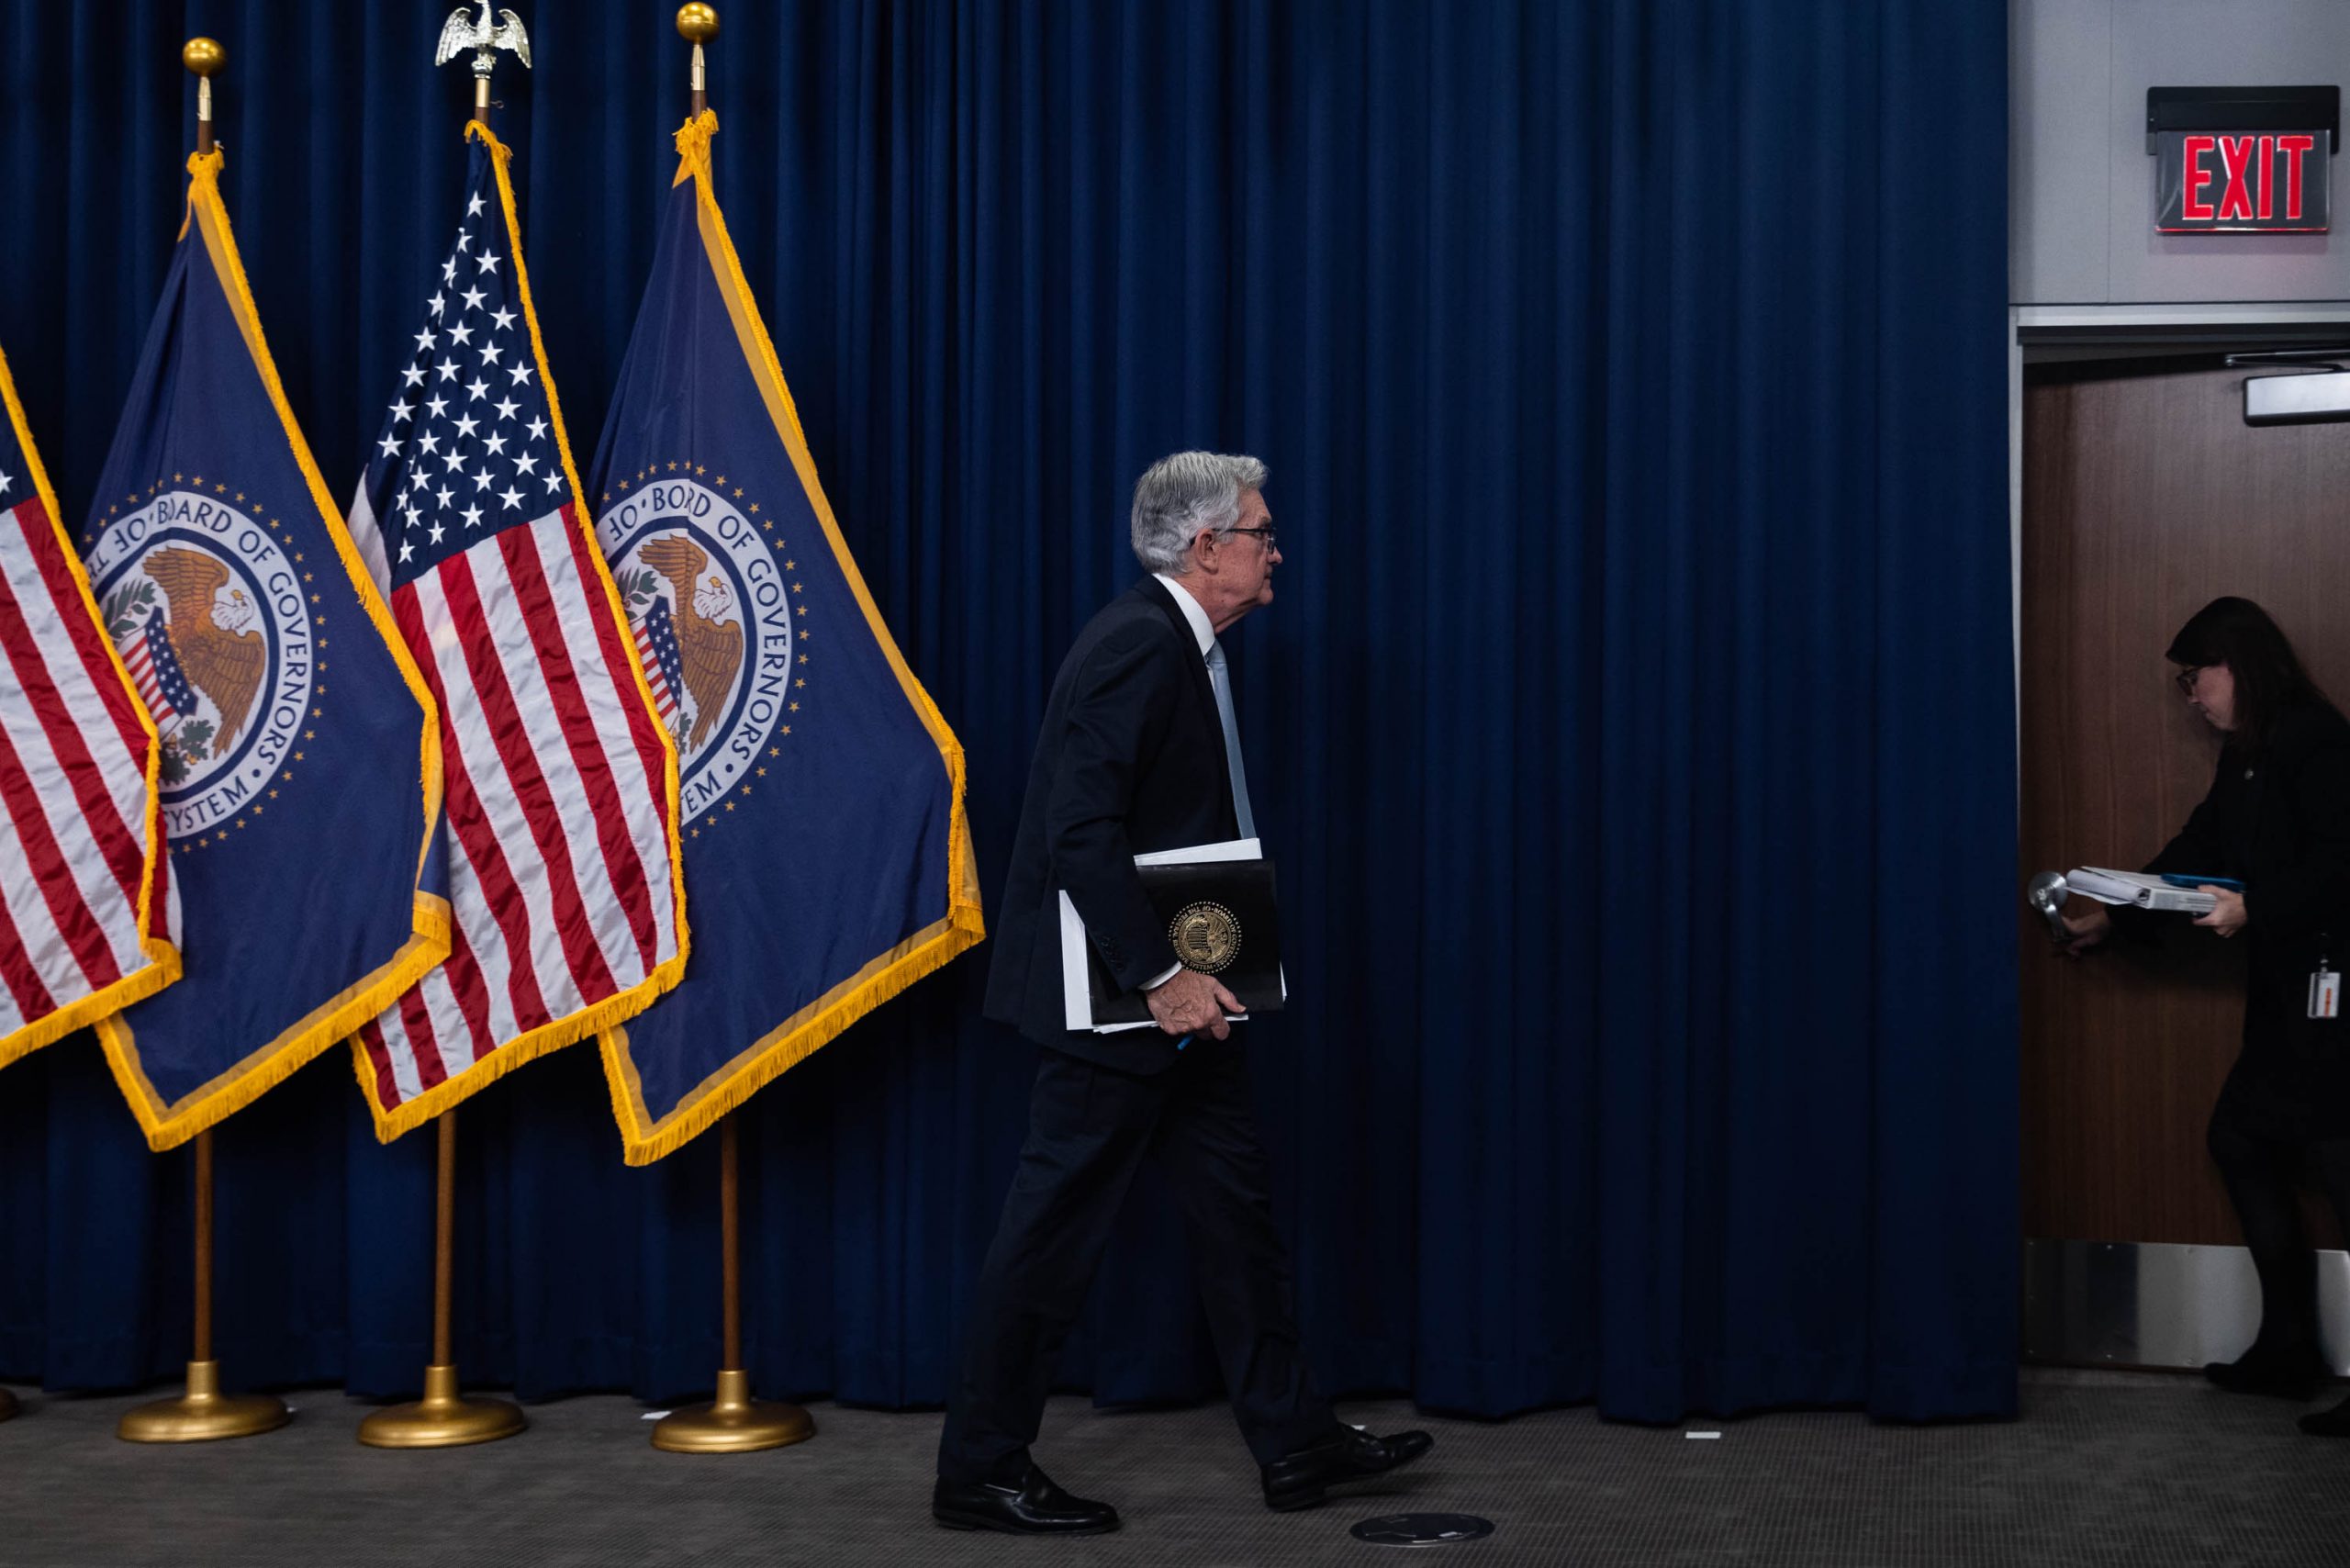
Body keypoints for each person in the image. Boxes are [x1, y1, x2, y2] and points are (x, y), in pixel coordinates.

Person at [932, 453, 1432, 1534]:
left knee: (1235, 1216)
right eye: (1259, 532)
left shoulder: (1175, 643)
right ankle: (978, 1468)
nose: (1274, 550)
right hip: (1121, 1005)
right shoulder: (1136, 647)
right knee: (1051, 1235)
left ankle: (1293, 1441)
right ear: (1206, 547)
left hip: (1184, 1002)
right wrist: (1161, 977)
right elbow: (1077, 830)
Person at [2059, 597, 2350, 1436]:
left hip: (2334, 990)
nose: (2192, 697)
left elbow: (2344, 863)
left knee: (2341, 1166)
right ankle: (2290, 1349)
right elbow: (2200, 851)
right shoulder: (2250, 753)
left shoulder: (2317, 741)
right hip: (2291, 992)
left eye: (2198, 678)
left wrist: (2256, 912)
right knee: (2245, 1138)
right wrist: (2116, 917)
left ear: (2242, 666)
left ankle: (2295, 1348)